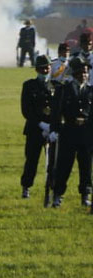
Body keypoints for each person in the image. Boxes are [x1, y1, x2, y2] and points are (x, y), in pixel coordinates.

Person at [47, 57, 92, 209]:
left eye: (85, 72)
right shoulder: (64, 89)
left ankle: (85, 194)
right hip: (69, 133)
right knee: (64, 166)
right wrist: (54, 130)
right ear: (75, 74)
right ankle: (58, 195)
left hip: (86, 135)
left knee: (86, 167)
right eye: (80, 72)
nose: (83, 75)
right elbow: (56, 112)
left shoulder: (90, 91)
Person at [20, 55, 54, 199]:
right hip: (34, 129)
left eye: (47, 67)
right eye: (41, 68)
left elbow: (58, 109)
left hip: (51, 130)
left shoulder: (56, 86)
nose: (45, 70)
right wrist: (41, 124)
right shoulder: (29, 86)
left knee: (53, 163)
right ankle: (26, 187)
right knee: (31, 161)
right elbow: (26, 110)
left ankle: (53, 188)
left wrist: (52, 127)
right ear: (37, 69)